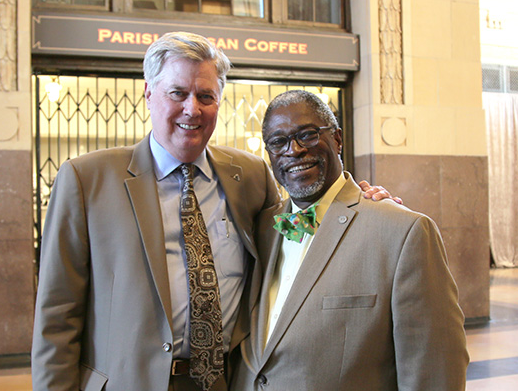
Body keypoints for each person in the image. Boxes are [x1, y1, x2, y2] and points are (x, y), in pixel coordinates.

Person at [31, 32, 394, 391]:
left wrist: (358, 203)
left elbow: (297, 234)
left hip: (225, 381)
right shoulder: (87, 179)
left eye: (205, 96)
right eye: (178, 93)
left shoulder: (249, 175)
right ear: (148, 94)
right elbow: (56, 316)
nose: (193, 109)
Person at [230, 90, 469, 390]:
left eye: (308, 135)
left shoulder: (402, 232)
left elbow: (435, 374)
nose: (294, 150)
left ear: (338, 139)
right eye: (278, 142)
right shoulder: (262, 228)